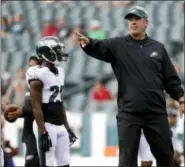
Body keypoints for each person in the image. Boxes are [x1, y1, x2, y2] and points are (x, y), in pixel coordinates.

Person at [75, 6, 184, 167]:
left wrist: (181, 98)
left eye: (137, 19)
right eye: (130, 19)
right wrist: (88, 43)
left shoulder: (158, 48)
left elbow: (170, 78)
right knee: (127, 160)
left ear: (146, 22)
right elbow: (99, 46)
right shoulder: (118, 45)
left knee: (166, 158)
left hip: (156, 112)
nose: (132, 22)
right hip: (129, 112)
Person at [4, 55, 77, 166]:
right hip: (32, 133)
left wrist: (21, 112)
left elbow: (47, 107)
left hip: (45, 129)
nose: (32, 69)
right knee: (32, 161)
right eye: (30, 66)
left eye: (35, 66)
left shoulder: (45, 85)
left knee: (56, 161)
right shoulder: (29, 87)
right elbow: (31, 109)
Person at [25, 36, 73, 166]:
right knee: (48, 163)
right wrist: (43, 131)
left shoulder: (60, 72)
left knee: (65, 162)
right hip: (48, 125)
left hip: (60, 125)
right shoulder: (38, 74)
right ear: (47, 53)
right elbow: (36, 106)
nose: (60, 53)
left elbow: (60, 103)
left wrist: (67, 127)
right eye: (57, 50)